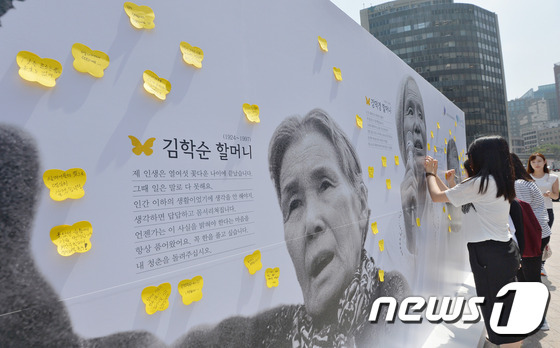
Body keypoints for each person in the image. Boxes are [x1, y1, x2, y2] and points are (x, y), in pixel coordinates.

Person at [182, 109, 409, 347]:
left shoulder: (396, 309)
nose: (311, 221)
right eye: (294, 204)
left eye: (324, 185)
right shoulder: (269, 333)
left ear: (361, 203)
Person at [424, 136, 524, 347]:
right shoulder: (497, 181)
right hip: (500, 251)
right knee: (505, 310)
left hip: (490, 254)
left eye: (471, 156)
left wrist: (430, 173)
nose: (469, 160)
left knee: (502, 316)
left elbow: (436, 196)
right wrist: (449, 183)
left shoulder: (481, 183)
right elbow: (453, 197)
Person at [396, 76, 427, 254]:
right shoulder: (395, 230)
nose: (417, 125)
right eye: (409, 112)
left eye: (421, 115)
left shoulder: (437, 195)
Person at [527, 152, 558, 276]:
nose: (536, 164)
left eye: (539, 161)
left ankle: (540, 265)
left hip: (547, 211)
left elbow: (556, 196)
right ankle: (531, 263)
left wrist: (550, 194)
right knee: (532, 239)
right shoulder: (526, 177)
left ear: (545, 162)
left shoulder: (553, 177)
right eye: (533, 162)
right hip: (530, 212)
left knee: (543, 239)